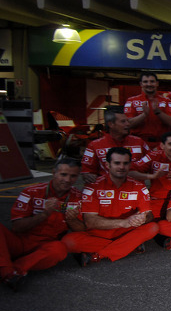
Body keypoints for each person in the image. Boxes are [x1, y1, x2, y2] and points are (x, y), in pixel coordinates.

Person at [62, 147, 158, 266]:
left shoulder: (139, 187)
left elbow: (149, 215)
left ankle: (99, 255)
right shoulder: (92, 187)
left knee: (153, 227)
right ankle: (128, 246)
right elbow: (90, 222)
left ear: (129, 165)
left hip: (126, 232)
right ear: (108, 165)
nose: (122, 167)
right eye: (117, 163)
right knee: (68, 242)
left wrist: (142, 218)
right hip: (98, 234)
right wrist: (123, 223)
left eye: (125, 163)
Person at [0, 157, 84, 289]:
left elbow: (81, 232)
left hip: (45, 247)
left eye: (73, 176)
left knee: (60, 249)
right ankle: (6, 270)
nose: (67, 180)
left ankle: (14, 271)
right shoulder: (31, 192)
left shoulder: (78, 198)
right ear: (54, 172)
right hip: (19, 241)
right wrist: (44, 214)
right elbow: (16, 228)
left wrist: (72, 219)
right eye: (63, 174)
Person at [81, 106, 150, 184]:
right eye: (123, 121)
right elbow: (87, 171)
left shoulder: (139, 142)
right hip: (107, 191)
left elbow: (152, 163)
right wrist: (87, 175)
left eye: (127, 121)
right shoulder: (94, 145)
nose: (128, 124)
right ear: (111, 124)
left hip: (135, 190)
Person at [129, 131, 171, 217]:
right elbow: (130, 173)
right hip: (157, 200)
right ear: (162, 146)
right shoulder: (152, 157)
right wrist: (152, 176)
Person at [124, 72, 171, 143]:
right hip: (138, 142)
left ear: (157, 83)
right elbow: (128, 124)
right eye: (145, 82)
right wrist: (144, 115)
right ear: (141, 84)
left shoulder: (166, 101)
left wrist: (158, 112)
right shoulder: (131, 101)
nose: (149, 84)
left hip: (161, 143)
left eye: (152, 81)